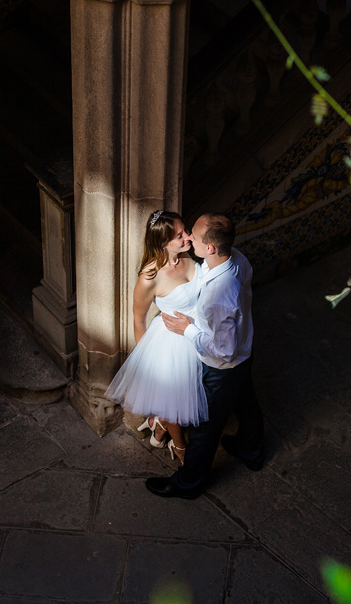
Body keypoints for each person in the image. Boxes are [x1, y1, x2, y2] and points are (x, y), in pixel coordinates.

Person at [146, 213, 265, 499]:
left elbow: (221, 349)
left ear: (210, 248)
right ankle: (251, 449)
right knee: (246, 402)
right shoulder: (237, 257)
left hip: (223, 367)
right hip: (245, 354)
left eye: (194, 238)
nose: (189, 240)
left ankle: (188, 484)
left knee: (204, 429)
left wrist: (188, 330)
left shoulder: (217, 296)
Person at [104, 210, 206, 464]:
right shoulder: (149, 277)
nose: (188, 237)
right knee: (174, 400)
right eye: (180, 236)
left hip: (199, 333)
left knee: (192, 395)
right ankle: (180, 446)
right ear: (162, 243)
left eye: (185, 231)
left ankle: (158, 427)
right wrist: (149, 363)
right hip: (171, 343)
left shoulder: (187, 254)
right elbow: (138, 319)